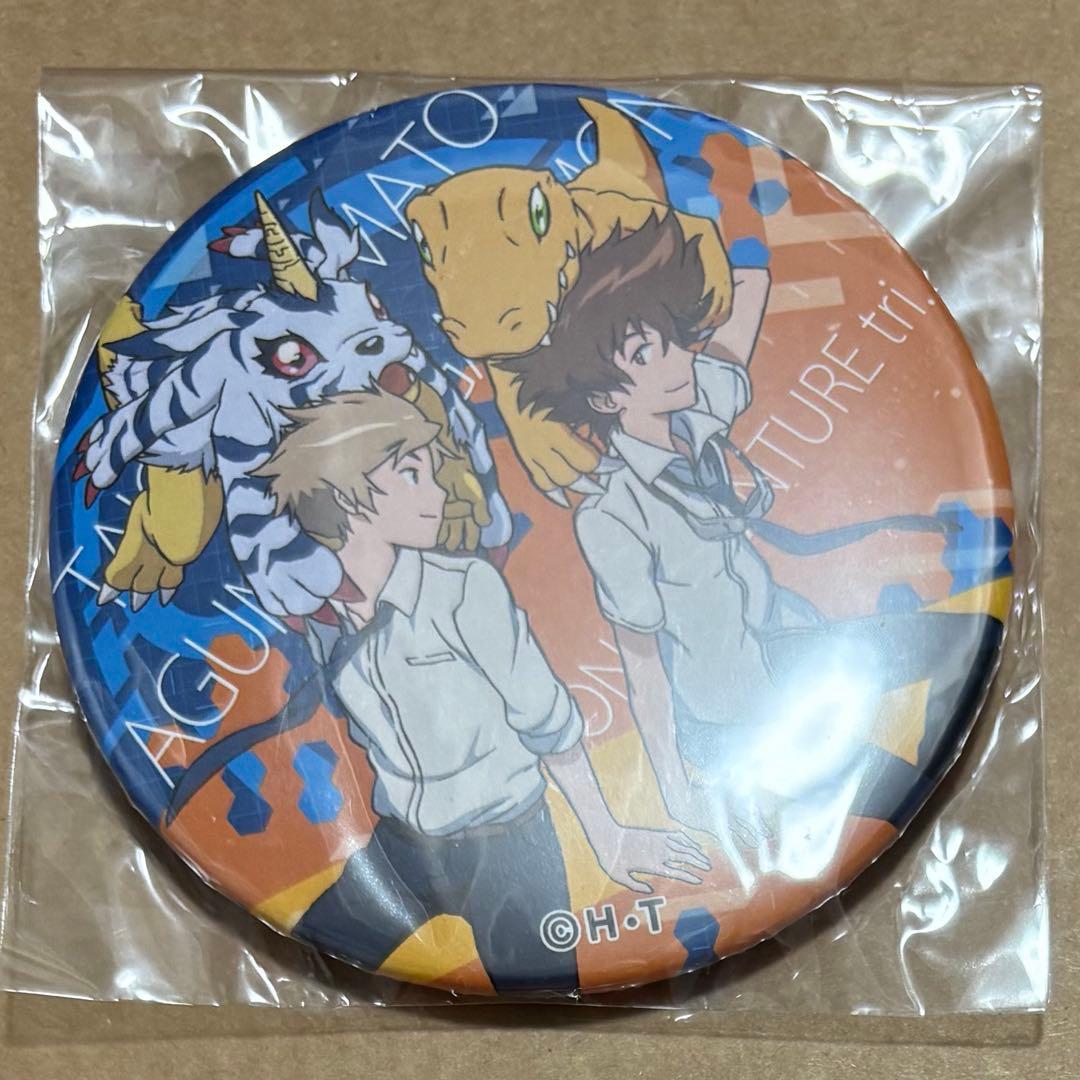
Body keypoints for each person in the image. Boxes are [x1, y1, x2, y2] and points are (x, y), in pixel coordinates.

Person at [506, 215, 1000, 845]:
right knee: (894, 788)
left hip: (799, 648)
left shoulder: (695, 407)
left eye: (672, 338)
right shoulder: (611, 515)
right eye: (645, 353)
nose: (679, 357)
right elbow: (642, 665)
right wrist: (675, 793)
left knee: (969, 641)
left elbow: (746, 303)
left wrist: (716, 234)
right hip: (734, 716)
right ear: (606, 399)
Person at [250, 389, 709, 992]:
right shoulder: (325, 625)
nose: (438, 492)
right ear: (346, 495)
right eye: (410, 473)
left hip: (511, 850)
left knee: (540, 1007)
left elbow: (548, 723)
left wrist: (608, 835)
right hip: (404, 849)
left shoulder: (465, 588)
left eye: (431, 470)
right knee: (299, 963)